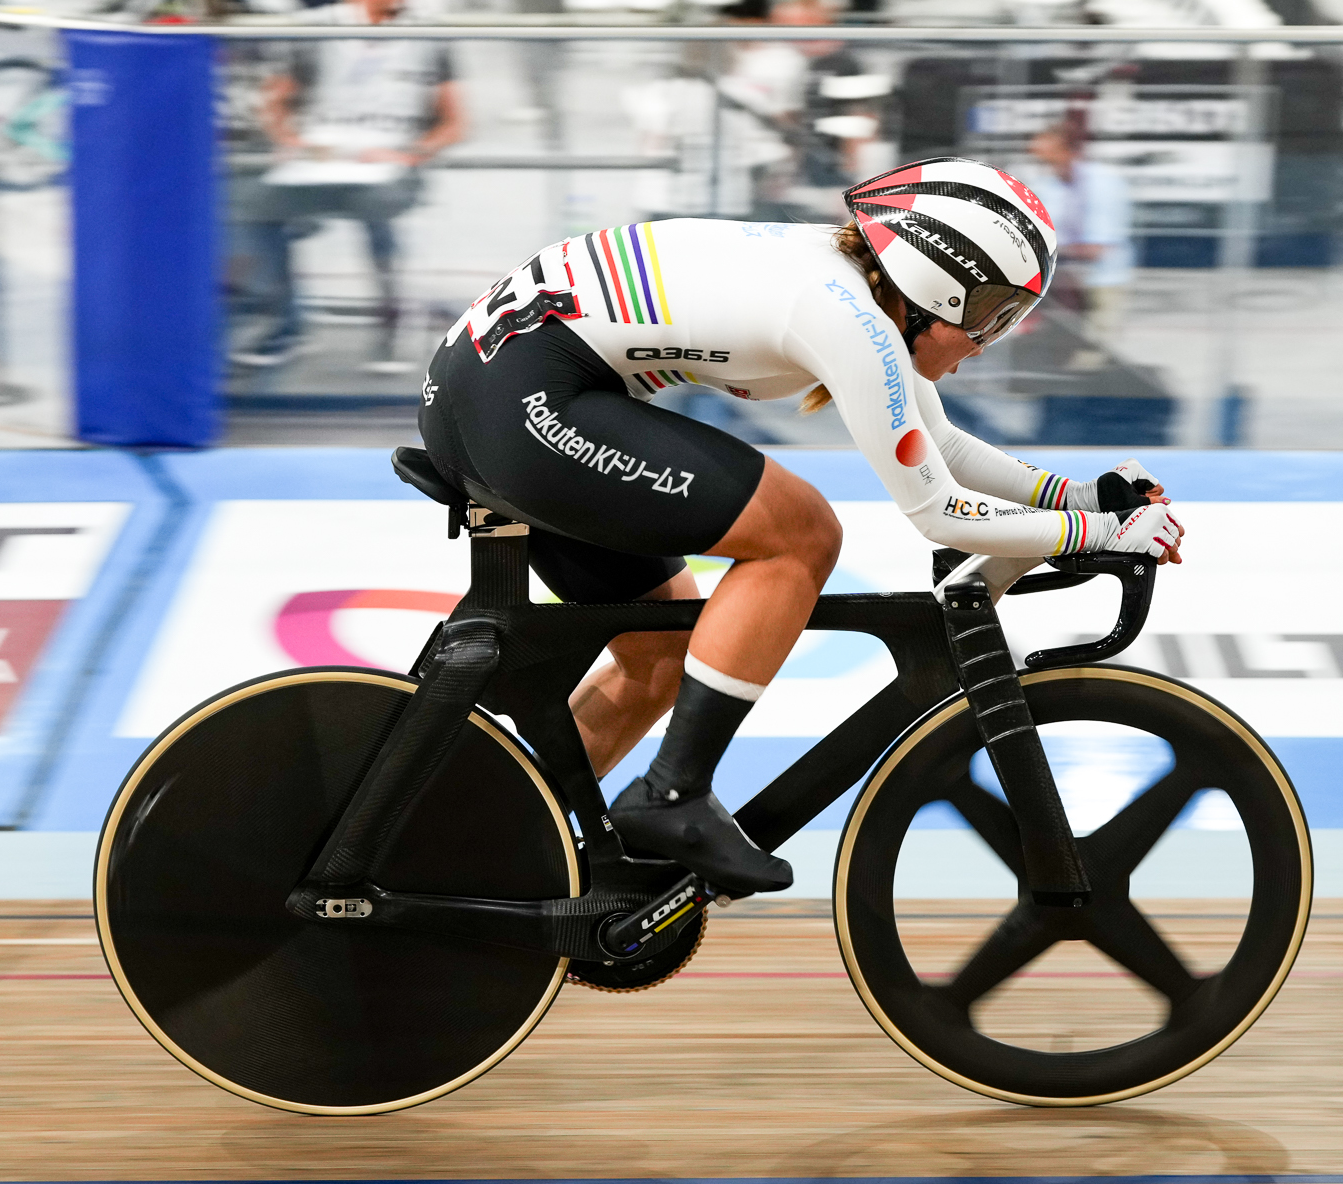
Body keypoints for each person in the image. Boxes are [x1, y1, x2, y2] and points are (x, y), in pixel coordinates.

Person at [418, 158, 1183, 893]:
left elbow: (939, 447)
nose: (989, 339)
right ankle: (671, 793)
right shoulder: (846, 316)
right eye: (991, 313)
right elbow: (937, 510)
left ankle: (480, 846)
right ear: (934, 284)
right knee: (802, 533)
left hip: (504, 389)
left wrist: (1078, 498)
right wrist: (1100, 537)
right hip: (522, 400)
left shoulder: (849, 289)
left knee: (659, 653)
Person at [232, 0, 466, 372]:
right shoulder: (317, 30)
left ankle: (393, 321)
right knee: (251, 203)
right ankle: (283, 324)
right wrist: (290, 140)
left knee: (377, 202)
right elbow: (274, 101)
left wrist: (409, 154)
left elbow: (455, 123)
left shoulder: (428, 37)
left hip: (390, 163)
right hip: (321, 159)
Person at [1024, 115, 1135, 365]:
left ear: (1067, 151)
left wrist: (1052, 251)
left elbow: (1098, 248)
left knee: (1094, 355)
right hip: (1062, 285)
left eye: (1047, 155)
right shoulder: (1048, 186)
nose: (1042, 163)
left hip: (1102, 281)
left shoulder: (1104, 183)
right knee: (1059, 353)